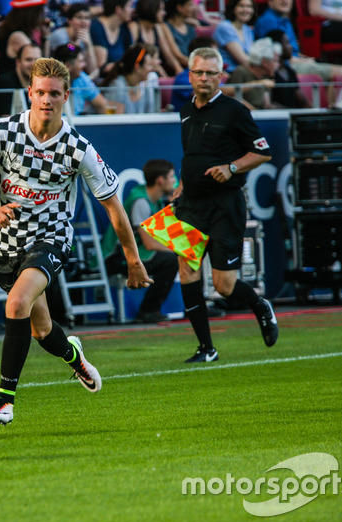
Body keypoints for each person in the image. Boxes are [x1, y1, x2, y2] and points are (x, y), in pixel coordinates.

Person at [0, 57, 152, 424]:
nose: (47, 100)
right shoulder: (0, 132)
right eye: (40, 92)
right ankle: (74, 356)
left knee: (16, 304)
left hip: (51, 237)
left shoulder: (78, 148)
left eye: (55, 94)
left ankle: (3, 400)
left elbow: (114, 207)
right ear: (29, 93)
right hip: (2, 243)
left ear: (66, 97)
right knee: (42, 329)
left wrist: (133, 259)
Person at [175, 46, 278, 363]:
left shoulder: (235, 110)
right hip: (191, 204)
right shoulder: (185, 110)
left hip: (224, 204)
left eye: (210, 73)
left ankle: (260, 305)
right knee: (187, 272)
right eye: (198, 72)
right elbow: (192, 155)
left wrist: (231, 167)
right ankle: (206, 348)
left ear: (221, 76)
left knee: (223, 284)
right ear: (190, 75)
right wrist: (181, 185)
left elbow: (263, 152)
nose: (204, 78)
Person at [111, 159, 180, 323]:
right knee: (171, 260)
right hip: (116, 257)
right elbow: (149, 244)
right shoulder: (141, 201)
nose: (174, 180)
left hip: (135, 252)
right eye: (171, 177)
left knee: (183, 254)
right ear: (160, 180)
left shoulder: (155, 199)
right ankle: (148, 310)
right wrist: (176, 250)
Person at [253, 0, 342, 102]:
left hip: (296, 61)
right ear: (270, 2)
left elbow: (291, 48)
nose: (285, 1)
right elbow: (275, 54)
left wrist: (303, 58)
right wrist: (302, 61)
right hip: (288, 65)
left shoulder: (285, 19)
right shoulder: (268, 20)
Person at [0, 0, 50, 76]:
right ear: (31, 15)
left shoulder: (27, 33)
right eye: (40, 14)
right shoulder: (18, 36)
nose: (43, 18)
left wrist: (45, 37)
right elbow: (41, 65)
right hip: (12, 83)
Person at [101, 43, 159, 114]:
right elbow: (115, 121)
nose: (152, 69)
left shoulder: (146, 86)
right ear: (137, 67)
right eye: (149, 65)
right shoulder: (118, 86)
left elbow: (151, 116)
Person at [128, 0, 182, 76]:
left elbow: (169, 56)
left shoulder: (158, 27)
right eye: (161, 9)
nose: (164, 13)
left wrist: (180, 72)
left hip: (155, 70)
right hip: (139, 72)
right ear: (151, 9)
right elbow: (131, 56)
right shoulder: (134, 27)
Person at [53, 42, 108, 114]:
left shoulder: (81, 77)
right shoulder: (50, 84)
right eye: (80, 61)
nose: (84, 65)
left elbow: (101, 105)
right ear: (68, 66)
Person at [227, 36, 281, 109]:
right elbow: (232, 96)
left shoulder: (265, 77)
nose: (278, 64)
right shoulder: (241, 72)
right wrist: (253, 111)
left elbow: (267, 105)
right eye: (275, 61)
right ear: (264, 62)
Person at [49, 3, 99, 79]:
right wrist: (77, 45)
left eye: (87, 18)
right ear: (69, 20)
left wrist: (89, 45)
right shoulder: (60, 36)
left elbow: (93, 71)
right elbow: (68, 53)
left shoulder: (85, 38)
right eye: (79, 17)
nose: (84, 22)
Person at [0, 42, 40, 116]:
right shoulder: (5, 83)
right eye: (28, 60)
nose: (33, 64)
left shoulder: (41, 84)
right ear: (18, 62)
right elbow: (5, 119)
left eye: (37, 60)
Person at [265, 29, 311, 108]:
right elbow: (268, 105)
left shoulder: (290, 71)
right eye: (287, 43)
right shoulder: (268, 73)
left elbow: (303, 101)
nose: (291, 47)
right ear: (277, 46)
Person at [90, 0, 134, 77]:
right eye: (129, 6)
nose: (132, 10)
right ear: (118, 9)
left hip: (119, 76)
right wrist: (124, 65)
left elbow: (131, 55)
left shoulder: (124, 28)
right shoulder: (96, 27)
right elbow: (102, 67)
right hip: (104, 80)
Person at [213, 0, 255, 73]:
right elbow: (244, 61)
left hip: (245, 71)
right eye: (241, 6)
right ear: (233, 9)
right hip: (228, 73)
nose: (245, 10)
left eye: (249, 6)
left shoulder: (247, 29)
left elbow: (252, 55)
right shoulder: (225, 27)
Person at [164, 0, 197, 69]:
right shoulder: (165, 27)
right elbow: (177, 55)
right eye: (190, 5)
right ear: (179, 8)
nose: (193, 8)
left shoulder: (191, 28)